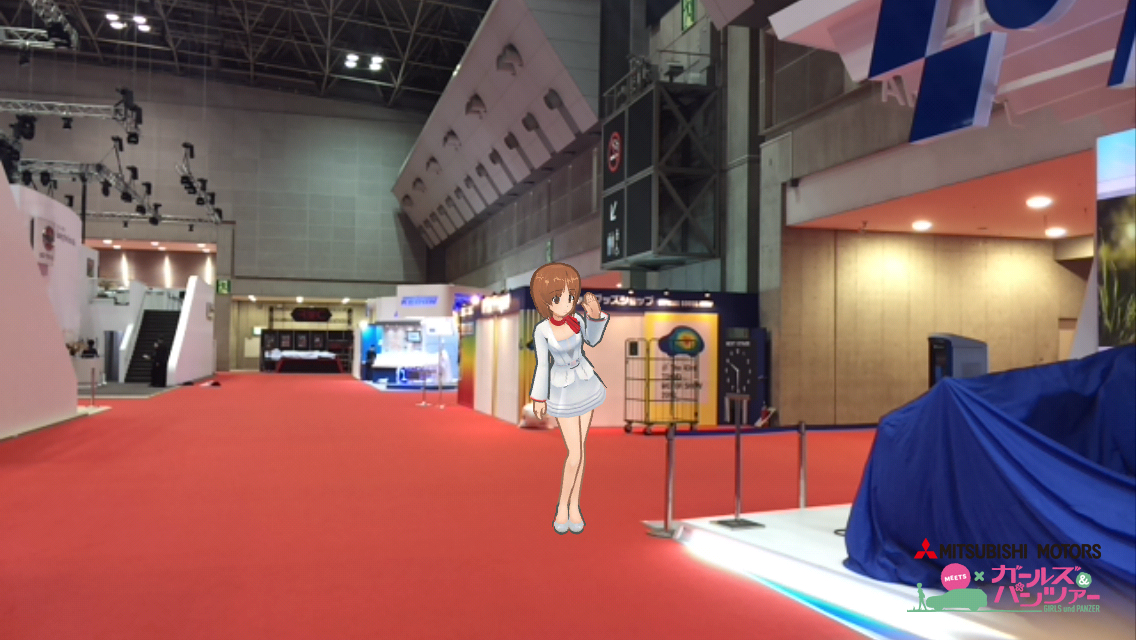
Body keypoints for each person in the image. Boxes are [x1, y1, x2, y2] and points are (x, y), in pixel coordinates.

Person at [528, 262, 608, 535]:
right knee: (574, 453)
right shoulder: (542, 330)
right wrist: (539, 397)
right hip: (562, 389)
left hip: (585, 381)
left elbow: (592, 341)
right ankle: (562, 506)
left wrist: (595, 317)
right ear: (546, 301)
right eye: (558, 298)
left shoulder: (578, 321)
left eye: (570, 296)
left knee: (580, 450)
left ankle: (574, 505)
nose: (567, 303)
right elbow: (542, 364)